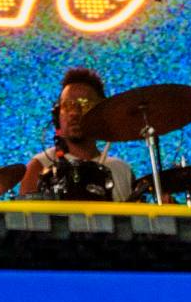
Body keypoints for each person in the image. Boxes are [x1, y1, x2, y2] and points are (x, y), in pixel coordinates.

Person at [14, 67, 137, 202]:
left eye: (85, 104)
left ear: (101, 114)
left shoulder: (122, 170)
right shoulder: (40, 166)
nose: (74, 112)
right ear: (57, 115)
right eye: (67, 105)